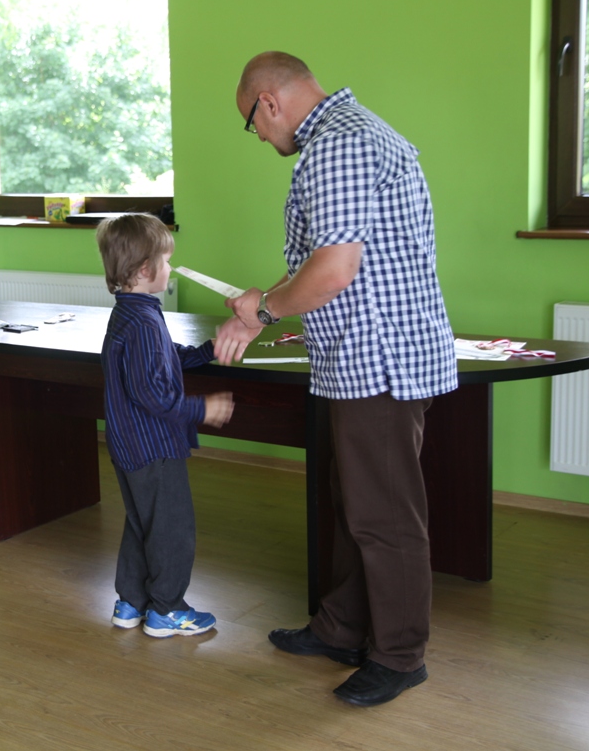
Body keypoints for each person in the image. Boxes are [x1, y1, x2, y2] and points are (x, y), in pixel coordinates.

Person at [214, 52, 458, 706]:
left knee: (384, 514)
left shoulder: (339, 144)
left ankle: (400, 657)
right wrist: (271, 310)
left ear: (269, 102)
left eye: (253, 123)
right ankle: (342, 628)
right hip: (360, 357)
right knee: (354, 500)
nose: (260, 137)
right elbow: (331, 263)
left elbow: (334, 271)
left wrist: (265, 309)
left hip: (378, 360)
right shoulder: (353, 132)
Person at [97, 213, 234, 638]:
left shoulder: (131, 313)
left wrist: (209, 350)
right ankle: (168, 610)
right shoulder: (143, 323)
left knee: (143, 522)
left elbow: (163, 359)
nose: (171, 268)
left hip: (129, 444)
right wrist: (201, 409)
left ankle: (131, 602)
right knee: (173, 529)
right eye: (167, 260)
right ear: (144, 269)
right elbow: (152, 393)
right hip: (152, 446)